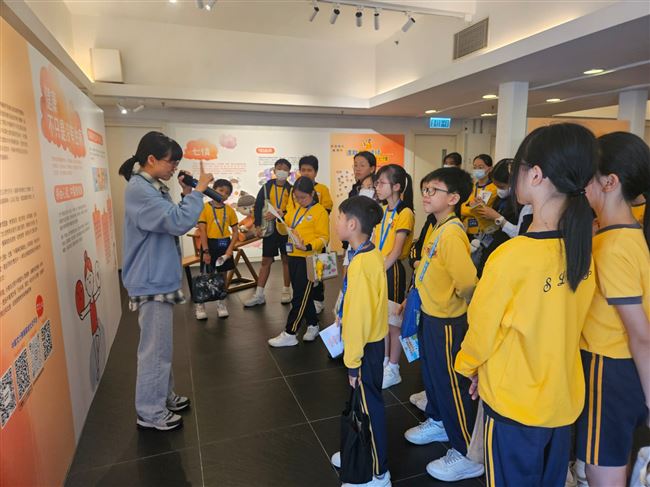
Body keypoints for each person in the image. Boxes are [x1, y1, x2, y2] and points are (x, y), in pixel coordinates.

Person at [455, 123, 598, 486]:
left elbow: (482, 331)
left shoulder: (512, 256)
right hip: (562, 403)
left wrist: (470, 367)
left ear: (535, 175)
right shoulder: (582, 250)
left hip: (515, 404)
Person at [119, 131, 213, 431]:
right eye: (171, 162)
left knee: (161, 346)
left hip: (157, 275)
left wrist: (187, 194)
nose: (174, 168)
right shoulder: (139, 190)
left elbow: (171, 215)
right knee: (155, 351)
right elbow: (176, 222)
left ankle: (162, 396)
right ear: (151, 159)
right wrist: (199, 191)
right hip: (151, 279)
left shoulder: (151, 186)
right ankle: (150, 412)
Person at [577, 131, 650, 487]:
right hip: (623, 369)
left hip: (608, 368)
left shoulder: (612, 247)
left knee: (602, 468)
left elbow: (640, 334)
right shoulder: (629, 234)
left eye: (588, 176)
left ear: (610, 181)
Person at [403, 167, 483, 482]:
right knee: (434, 377)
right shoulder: (438, 227)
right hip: (431, 314)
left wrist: (454, 303)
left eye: (433, 190)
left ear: (453, 198)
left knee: (452, 384)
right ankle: (438, 420)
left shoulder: (451, 233)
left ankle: (468, 453)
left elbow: (468, 283)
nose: (426, 195)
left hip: (448, 320)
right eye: (425, 189)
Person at [329, 195, 391, 487]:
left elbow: (359, 319)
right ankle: (357, 451)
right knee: (362, 404)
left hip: (365, 348)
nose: (337, 222)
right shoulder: (366, 253)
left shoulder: (362, 264)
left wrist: (352, 363)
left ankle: (379, 472)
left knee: (369, 409)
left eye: (340, 218)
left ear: (352, 224)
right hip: (369, 344)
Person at [268, 177, 329, 347]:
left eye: (303, 197)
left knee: (299, 297)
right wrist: (279, 219)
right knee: (303, 294)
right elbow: (284, 230)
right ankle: (313, 324)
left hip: (309, 259)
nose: (300, 200)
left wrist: (308, 246)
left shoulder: (320, 212)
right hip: (293, 255)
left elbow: (324, 238)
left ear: (312, 194)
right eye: (297, 197)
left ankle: (290, 332)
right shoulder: (295, 209)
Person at [372, 164, 414, 389]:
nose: (377, 187)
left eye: (381, 183)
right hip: (381, 267)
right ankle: (385, 361)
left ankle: (394, 367)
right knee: (383, 320)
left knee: (394, 322)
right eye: (377, 183)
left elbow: (396, 250)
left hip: (393, 270)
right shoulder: (382, 211)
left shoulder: (404, 213)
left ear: (396, 186)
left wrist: (379, 270)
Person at [244, 158, 293, 307]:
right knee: (266, 261)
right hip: (269, 230)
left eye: (285, 169)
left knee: (286, 260)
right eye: (279, 168)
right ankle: (259, 295)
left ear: (289, 172)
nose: (282, 171)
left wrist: (281, 213)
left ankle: (286, 290)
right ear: (274, 170)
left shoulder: (291, 189)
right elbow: (258, 206)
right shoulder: (266, 187)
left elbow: (293, 209)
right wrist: (257, 225)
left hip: (284, 230)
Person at [287, 155, 333, 314]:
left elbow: (325, 211)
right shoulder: (295, 191)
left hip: (313, 244)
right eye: (303, 170)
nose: (306, 172)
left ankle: (318, 300)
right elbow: (290, 213)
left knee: (317, 275)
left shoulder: (322, 190)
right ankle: (309, 311)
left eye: (309, 170)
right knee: (301, 285)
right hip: (296, 247)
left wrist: (311, 216)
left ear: (316, 172)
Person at [195, 179, 238, 319]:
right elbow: (202, 231)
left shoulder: (229, 210)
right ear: (213, 190)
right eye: (221, 190)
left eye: (227, 193)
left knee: (222, 275)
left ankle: (221, 303)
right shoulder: (204, 208)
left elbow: (235, 232)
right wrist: (206, 251)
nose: (223, 194)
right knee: (205, 275)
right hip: (209, 244)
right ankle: (200, 305)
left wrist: (229, 250)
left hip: (224, 244)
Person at [469, 159, 518, 276]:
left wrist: (497, 217)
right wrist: (481, 208)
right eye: (496, 186)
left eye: (501, 186)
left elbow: (518, 233)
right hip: (491, 246)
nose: (499, 191)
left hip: (507, 253)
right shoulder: (500, 199)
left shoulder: (521, 203)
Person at [460, 154, 498, 236]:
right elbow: (461, 208)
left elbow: (479, 211)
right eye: (475, 167)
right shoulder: (473, 186)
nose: (477, 170)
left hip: (484, 232)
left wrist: (468, 207)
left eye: (480, 167)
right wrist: (470, 207)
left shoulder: (493, 188)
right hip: (467, 230)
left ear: (490, 169)